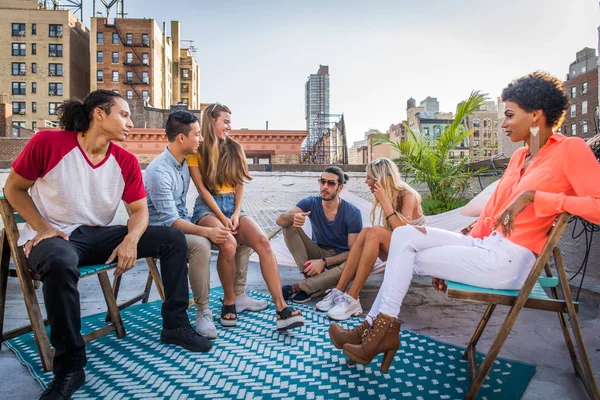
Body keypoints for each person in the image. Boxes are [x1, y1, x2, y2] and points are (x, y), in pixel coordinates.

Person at [328, 71, 600, 373]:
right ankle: (375, 330)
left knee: (406, 255)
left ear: (536, 115)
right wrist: (461, 241)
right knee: (405, 238)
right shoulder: (519, 158)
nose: (503, 123)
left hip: (511, 260)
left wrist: (536, 197)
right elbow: (492, 215)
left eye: (509, 115)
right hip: (485, 245)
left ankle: (374, 332)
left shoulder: (570, 149)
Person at [4, 91, 211, 400]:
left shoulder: (124, 160)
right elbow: (13, 189)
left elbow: (139, 212)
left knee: (171, 239)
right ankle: (70, 367)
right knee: (60, 264)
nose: (130, 122)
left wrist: (131, 239)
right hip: (56, 237)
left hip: (97, 236)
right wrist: (43, 228)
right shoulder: (49, 143)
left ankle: (175, 324)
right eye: (124, 114)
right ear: (99, 114)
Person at [144, 110, 267, 339]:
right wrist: (208, 230)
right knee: (201, 244)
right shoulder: (159, 172)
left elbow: (218, 176)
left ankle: (237, 294)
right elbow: (171, 221)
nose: (201, 139)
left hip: (182, 222)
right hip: (161, 231)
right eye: (197, 134)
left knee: (240, 234)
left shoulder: (181, 162)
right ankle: (203, 311)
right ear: (182, 138)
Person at [188, 103, 303, 331]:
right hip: (208, 208)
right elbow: (201, 189)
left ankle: (281, 309)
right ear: (211, 121)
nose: (230, 127)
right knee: (229, 244)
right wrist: (222, 216)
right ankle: (229, 301)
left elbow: (240, 184)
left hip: (234, 205)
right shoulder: (197, 150)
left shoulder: (235, 148)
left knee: (263, 242)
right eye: (226, 121)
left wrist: (237, 212)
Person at [315, 158, 425, 320]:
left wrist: (384, 201)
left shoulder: (408, 195)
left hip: (414, 250)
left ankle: (352, 297)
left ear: (380, 178)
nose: (366, 181)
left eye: (369, 177)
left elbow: (403, 232)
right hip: (398, 247)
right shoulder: (390, 195)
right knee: (367, 231)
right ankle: (339, 291)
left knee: (373, 232)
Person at [276, 166, 363, 303]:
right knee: (288, 225)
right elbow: (280, 220)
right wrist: (293, 217)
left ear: (340, 188)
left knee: (354, 264)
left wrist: (323, 262)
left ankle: (298, 288)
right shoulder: (311, 202)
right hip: (317, 252)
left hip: (339, 261)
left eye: (331, 183)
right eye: (322, 181)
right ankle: (314, 282)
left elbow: (354, 252)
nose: (325, 186)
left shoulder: (352, 213)